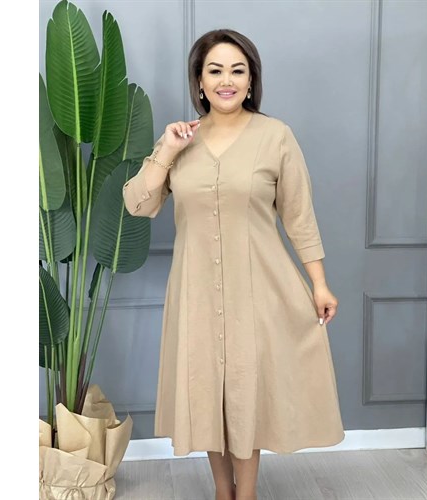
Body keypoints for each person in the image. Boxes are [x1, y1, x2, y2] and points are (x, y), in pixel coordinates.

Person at [122, 28, 344, 500]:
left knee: (244, 394)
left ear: (251, 80)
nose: (227, 80)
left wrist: (319, 284)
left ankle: (247, 495)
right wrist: (166, 151)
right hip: (196, 293)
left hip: (259, 290)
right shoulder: (180, 141)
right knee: (208, 396)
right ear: (199, 82)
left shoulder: (276, 136)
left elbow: (299, 216)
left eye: (237, 71)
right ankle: (223, 493)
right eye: (215, 70)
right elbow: (138, 205)